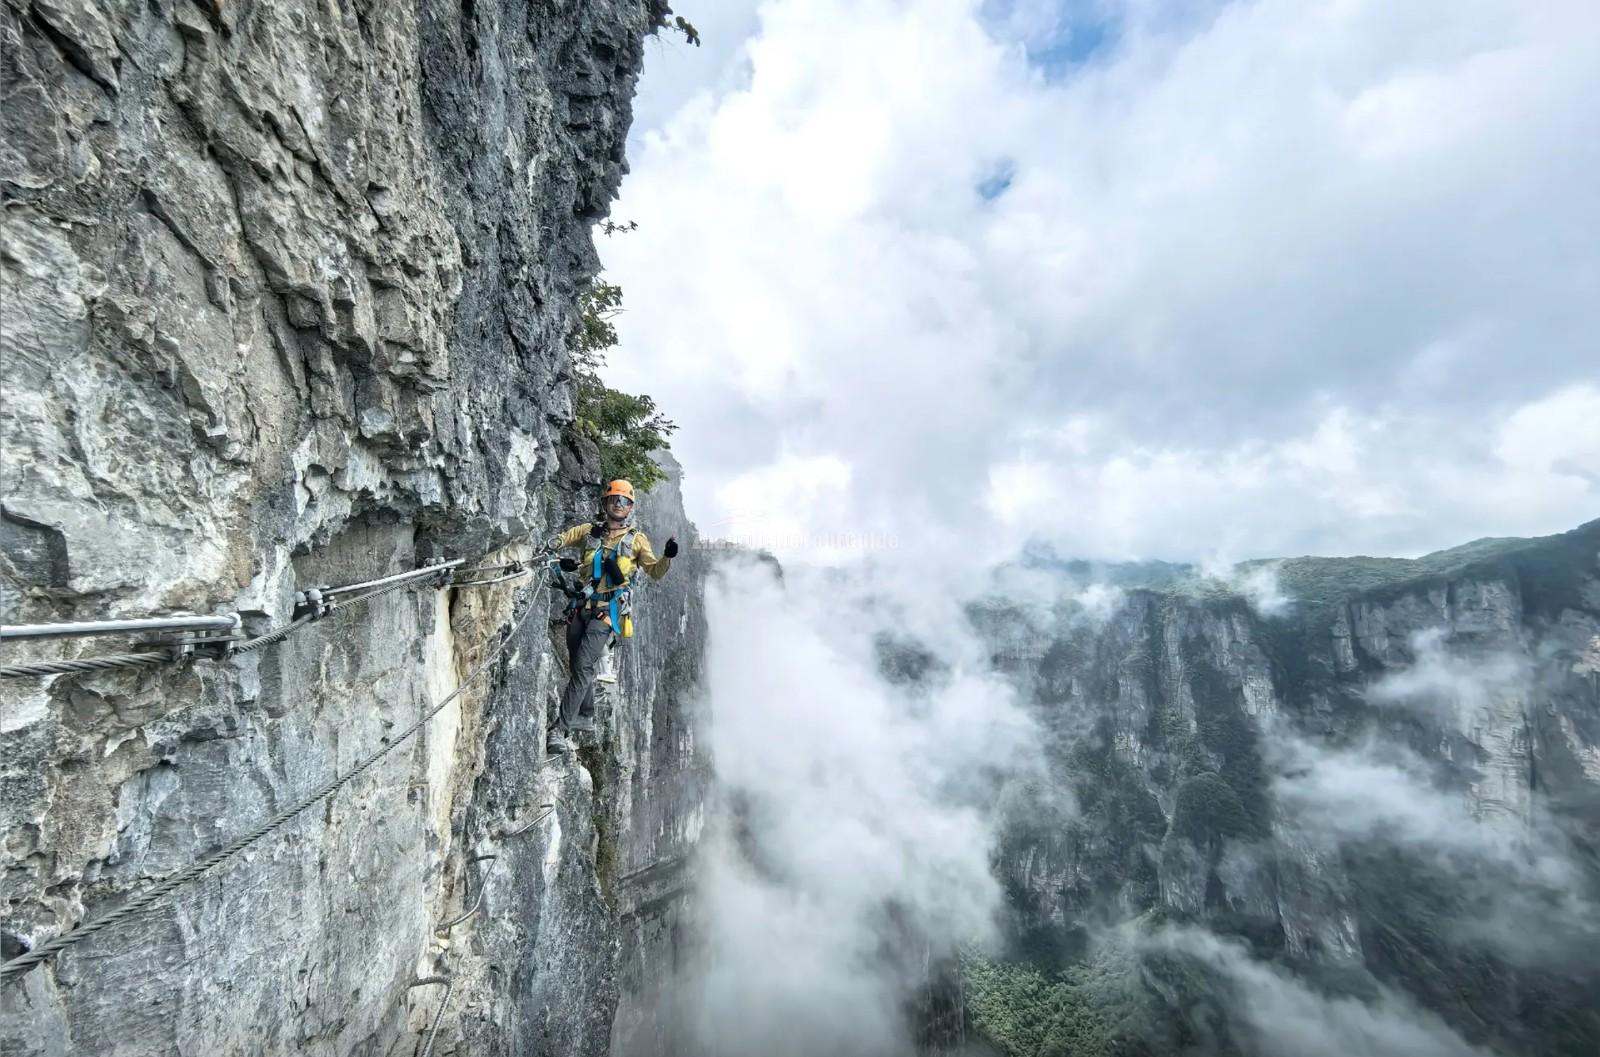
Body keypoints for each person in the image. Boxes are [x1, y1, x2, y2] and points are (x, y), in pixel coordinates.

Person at [544, 479, 678, 752]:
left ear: (631, 507)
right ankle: (586, 714)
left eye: (625, 501)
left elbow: (654, 571)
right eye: (615, 499)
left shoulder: (636, 540)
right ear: (605, 503)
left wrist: (667, 557)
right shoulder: (589, 532)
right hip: (580, 607)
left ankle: (560, 730)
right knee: (577, 667)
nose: (619, 504)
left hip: (608, 612)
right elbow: (564, 538)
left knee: (582, 665)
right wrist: (552, 545)